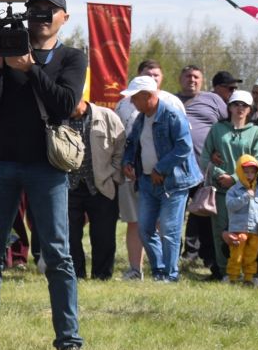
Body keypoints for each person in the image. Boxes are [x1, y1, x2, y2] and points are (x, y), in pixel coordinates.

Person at [0, 0, 88, 350]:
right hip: (2, 162)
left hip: (47, 167)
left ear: (65, 17)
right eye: (35, 10)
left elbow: (65, 104)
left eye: (50, 11)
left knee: (58, 254)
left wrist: (30, 69)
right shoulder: (5, 48)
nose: (42, 17)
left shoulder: (72, 57)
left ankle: (69, 340)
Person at [120, 75, 202, 282]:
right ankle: (159, 271)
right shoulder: (141, 118)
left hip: (173, 183)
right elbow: (132, 143)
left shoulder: (173, 116)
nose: (131, 102)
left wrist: (160, 168)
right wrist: (128, 162)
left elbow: (184, 147)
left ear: (148, 96)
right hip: (147, 181)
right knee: (145, 229)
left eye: (135, 98)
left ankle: (170, 275)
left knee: (169, 229)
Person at [201, 90, 258, 279]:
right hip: (220, 191)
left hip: (246, 193)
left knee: (246, 233)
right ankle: (224, 272)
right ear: (229, 107)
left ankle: (245, 273)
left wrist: (235, 178)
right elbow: (205, 157)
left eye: (244, 105)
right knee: (221, 232)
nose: (240, 108)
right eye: (236, 104)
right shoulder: (217, 129)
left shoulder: (256, 132)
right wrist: (219, 174)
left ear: (250, 109)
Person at [179, 68, 234, 277]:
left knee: (207, 217)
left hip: (205, 170)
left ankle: (213, 262)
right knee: (174, 219)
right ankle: (173, 263)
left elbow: (228, 125)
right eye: (187, 76)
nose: (191, 80)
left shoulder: (213, 99)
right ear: (180, 79)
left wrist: (219, 149)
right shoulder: (170, 100)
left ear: (202, 81)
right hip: (177, 171)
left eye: (196, 77)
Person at [65, 97, 126, 281]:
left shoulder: (107, 116)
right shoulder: (59, 118)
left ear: (81, 99)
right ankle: (75, 275)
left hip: (102, 186)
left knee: (104, 236)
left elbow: (120, 147)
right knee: (69, 236)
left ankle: (102, 276)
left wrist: (114, 176)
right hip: (69, 187)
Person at [118, 59, 169, 278]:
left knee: (162, 222)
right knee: (135, 221)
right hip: (131, 173)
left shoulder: (171, 103)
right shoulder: (123, 103)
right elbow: (120, 138)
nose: (152, 78)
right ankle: (135, 269)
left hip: (162, 174)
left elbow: (178, 141)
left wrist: (164, 168)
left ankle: (164, 269)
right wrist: (125, 163)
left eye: (156, 75)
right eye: (148, 74)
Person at [221, 154, 258, 285]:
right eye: (246, 172)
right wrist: (245, 197)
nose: (249, 175)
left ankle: (249, 277)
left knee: (251, 256)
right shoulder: (233, 190)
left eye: (252, 172)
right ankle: (232, 277)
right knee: (236, 255)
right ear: (239, 172)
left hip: (255, 230)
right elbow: (230, 206)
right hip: (238, 229)